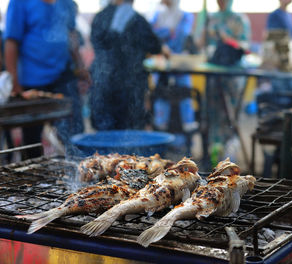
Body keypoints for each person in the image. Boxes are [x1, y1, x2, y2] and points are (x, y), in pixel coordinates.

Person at [3, 0, 89, 158]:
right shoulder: (19, 3)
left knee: (74, 131)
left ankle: (78, 170)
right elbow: (11, 42)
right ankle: (31, 177)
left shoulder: (67, 3)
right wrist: (14, 83)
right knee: (32, 139)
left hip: (64, 75)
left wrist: (81, 67)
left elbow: (72, 36)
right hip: (32, 81)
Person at [89, 0, 165, 130]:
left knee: (104, 132)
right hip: (130, 87)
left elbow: (96, 43)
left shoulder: (100, 17)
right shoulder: (137, 20)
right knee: (129, 132)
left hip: (103, 85)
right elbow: (155, 47)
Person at [202, 0, 251, 166]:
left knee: (232, 115)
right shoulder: (211, 17)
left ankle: (231, 156)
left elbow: (244, 46)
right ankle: (213, 153)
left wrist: (226, 40)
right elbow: (201, 43)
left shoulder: (239, 19)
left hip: (232, 74)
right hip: (213, 73)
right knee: (213, 113)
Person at [150, 0, 198, 134]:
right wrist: (168, 31)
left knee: (184, 97)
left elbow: (180, 37)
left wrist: (165, 34)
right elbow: (152, 35)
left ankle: (183, 137)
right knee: (161, 97)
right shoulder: (158, 15)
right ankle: (162, 131)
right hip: (162, 68)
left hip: (179, 66)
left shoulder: (185, 16)